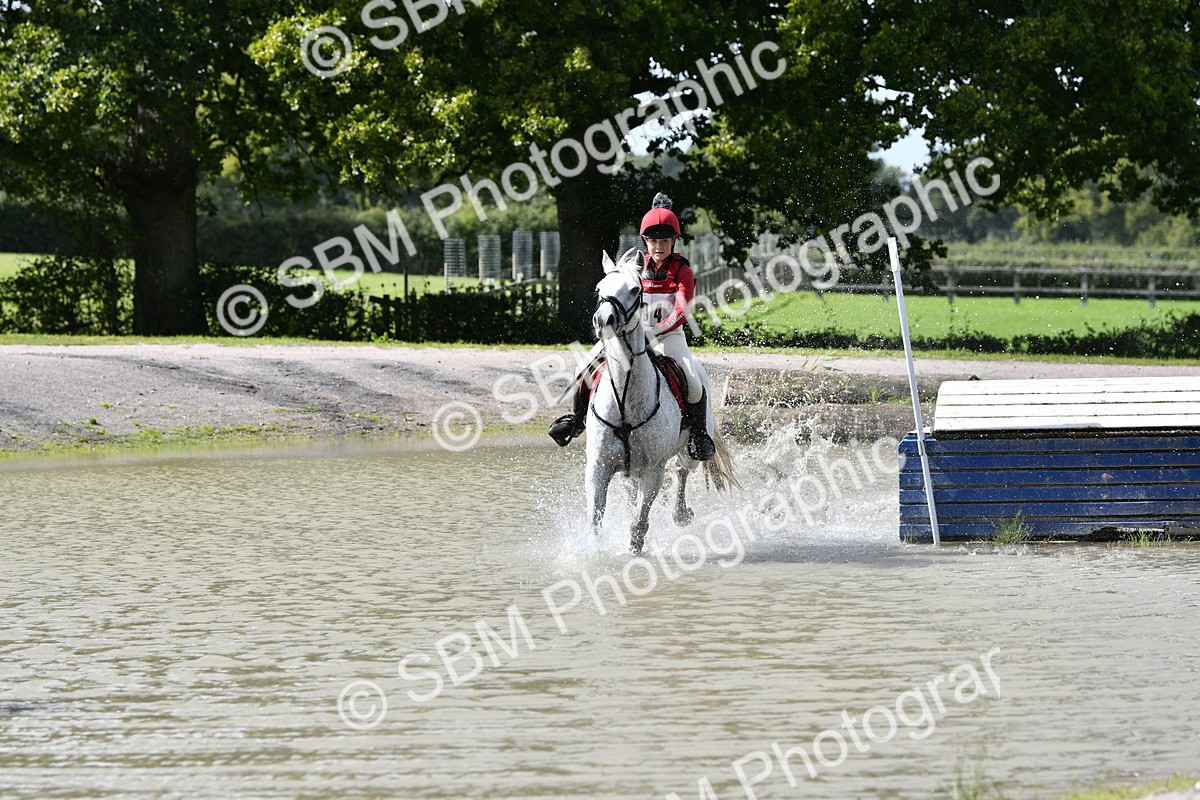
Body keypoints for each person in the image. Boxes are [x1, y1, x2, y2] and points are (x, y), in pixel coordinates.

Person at [548, 192, 716, 461]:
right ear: (645, 242)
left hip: (668, 335)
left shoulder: (682, 270)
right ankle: (578, 420)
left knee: (694, 383)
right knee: (583, 369)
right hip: (627, 335)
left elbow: (682, 311)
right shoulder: (635, 267)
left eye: (664, 241)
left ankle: (698, 434)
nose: (658, 247)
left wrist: (656, 330)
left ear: (674, 241)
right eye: (653, 241)